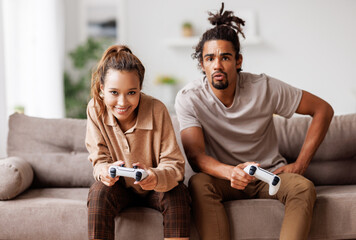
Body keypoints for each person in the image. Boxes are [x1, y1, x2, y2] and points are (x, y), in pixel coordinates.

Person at [175, 3, 334, 240]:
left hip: (268, 174)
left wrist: (300, 165)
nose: (217, 65)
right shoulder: (189, 98)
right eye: (210, 58)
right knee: (198, 183)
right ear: (202, 65)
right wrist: (230, 172)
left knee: (303, 187)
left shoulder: (264, 87)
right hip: (224, 179)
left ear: (238, 61)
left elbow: (323, 109)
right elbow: (196, 157)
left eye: (225, 57)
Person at [86, 45, 191, 240]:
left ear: (140, 89)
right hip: (119, 188)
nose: (123, 102)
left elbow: (175, 165)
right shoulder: (95, 109)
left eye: (131, 93)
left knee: (178, 193)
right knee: (98, 192)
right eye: (114, 92)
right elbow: (99, 159)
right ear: (102, 89)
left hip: (154, 189)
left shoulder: (157, 110)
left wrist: (155, 176)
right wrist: (104, 171)